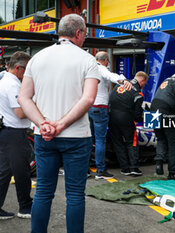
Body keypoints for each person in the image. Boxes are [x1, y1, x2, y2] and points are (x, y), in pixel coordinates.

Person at [18, 14, 100, 233]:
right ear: (78, 33)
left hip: (43, 136)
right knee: (74, 194)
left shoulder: (37, 58)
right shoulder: (87, 60)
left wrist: (43, 123)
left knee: (44, 191)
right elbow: (89, 99)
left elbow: (23, 97)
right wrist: (61, 125)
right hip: (77, 137)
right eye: (85, 34)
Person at [89, 51, 131, 180]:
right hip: (100, 107)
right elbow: (110, 75)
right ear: (106, 60)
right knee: (100, 140)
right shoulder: (101, 68)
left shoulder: (88, 68)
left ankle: (85, 169)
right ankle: (100, 170)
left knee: (88, 140)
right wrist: (123, 80)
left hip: (88, 106)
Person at [0, 51, 32, 220]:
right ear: (19, 68)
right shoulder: (12, 85)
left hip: (6, 132)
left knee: (5, 172)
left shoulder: (4, 80)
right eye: (27, 71)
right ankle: (25, 207)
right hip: (14, 134)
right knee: (22, 172)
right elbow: (20, 112)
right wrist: (36, 107)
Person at [108, 71, 149, 176]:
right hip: (126, 119)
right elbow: (137, 114)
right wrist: (141, 118)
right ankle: (134, 167)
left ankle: (124, 168)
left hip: (111, 117)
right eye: (145, 83)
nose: (144, 85)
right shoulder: (138, 93)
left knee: (118, 143)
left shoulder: (120, 84)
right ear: (143, 80)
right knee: (132, 142)